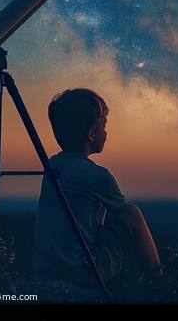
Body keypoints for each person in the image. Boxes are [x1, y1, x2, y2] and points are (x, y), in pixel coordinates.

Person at [32, 88, 162, 289]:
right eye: (104, 126)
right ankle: (158, 280)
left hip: (47, 270)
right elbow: (122, 215)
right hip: (86, 272)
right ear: (92, 134)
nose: (106, 132)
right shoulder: (98, 175)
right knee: (131, 212)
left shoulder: (52, 166)